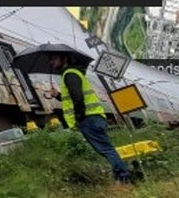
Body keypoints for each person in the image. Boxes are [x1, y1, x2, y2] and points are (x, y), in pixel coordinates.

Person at [49, 52, 132, 184]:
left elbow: (78, 98)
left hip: (89, 119)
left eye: (54, 58)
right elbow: (71, 98)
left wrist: (79, 116)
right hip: (92, 117)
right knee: (105, 149)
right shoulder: (72, 74)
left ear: (64, 59)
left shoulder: (70, 74)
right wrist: (57, 95)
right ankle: (123, 176)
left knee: (106, 149)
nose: (51, 62)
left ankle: (124, 179)